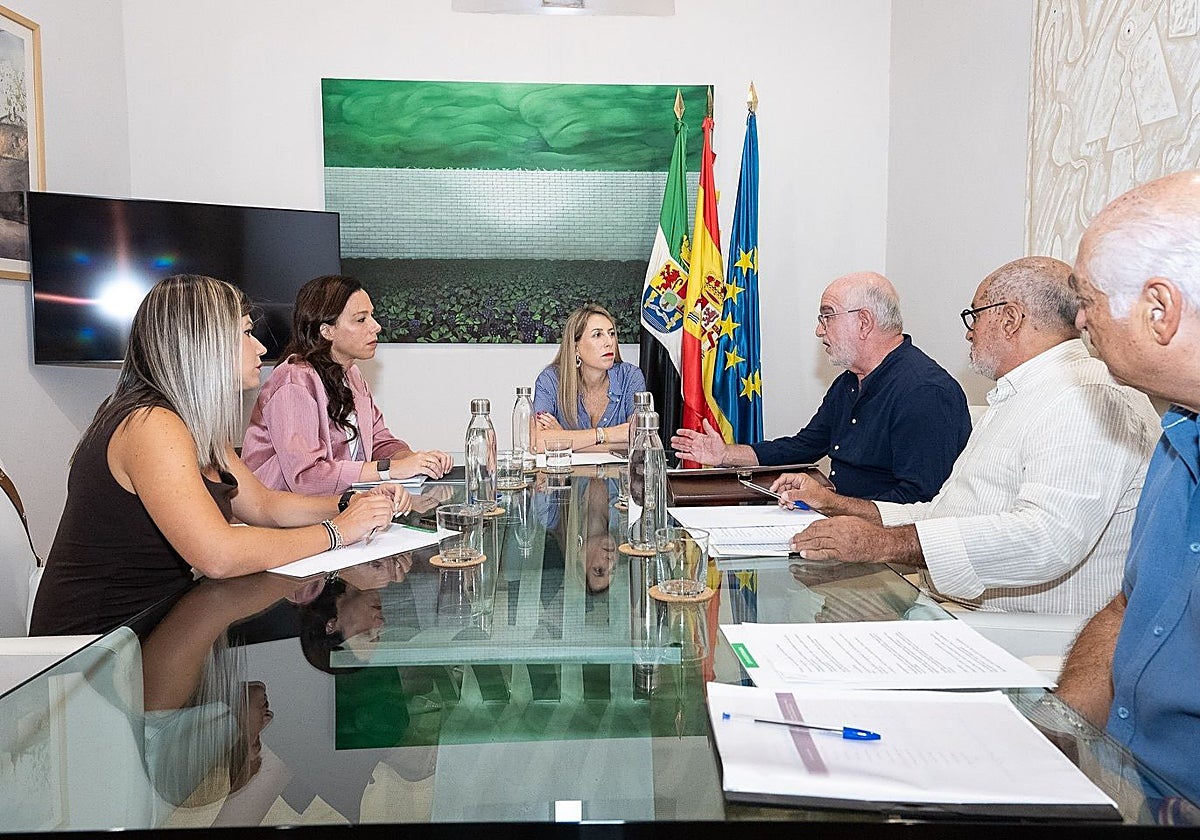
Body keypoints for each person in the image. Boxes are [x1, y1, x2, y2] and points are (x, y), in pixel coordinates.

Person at [776, 257, 1160, 614]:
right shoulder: (1021, 395)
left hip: (1015, 629)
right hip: (948, 604)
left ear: (1010, 319)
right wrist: (837, 507)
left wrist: (885, 543)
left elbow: (1046, 539)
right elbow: (941, 514)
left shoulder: (1086, 398)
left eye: (974, 315)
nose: (969, 332)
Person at [29, 275, 408, 636]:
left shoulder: (192, 421)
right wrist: (338, 531)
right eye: (246, 333)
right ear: (202, 343)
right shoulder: (151, 425)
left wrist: (346, 504)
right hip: (99, 645)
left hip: (161, 622)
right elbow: (219, 555)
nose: (261, 347)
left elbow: (263, 506)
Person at [1055, 169, 1200, 807]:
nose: (1080, 319)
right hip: (1118, 779)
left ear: (1159, 310)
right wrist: (1056, 731)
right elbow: (1130, 609)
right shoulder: (1175, 435)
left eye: (1087, 298)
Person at [671, 272, 970, 503]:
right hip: (842, 526)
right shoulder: (849, 382)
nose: (819, 330)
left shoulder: (925, 392)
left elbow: (921, 501)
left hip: (884, 548)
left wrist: (830, 504)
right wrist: (725, 454)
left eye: (827, 316)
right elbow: (804, 447)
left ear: (864, 322)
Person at [242, 275, 452, 495]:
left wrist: (416, 461)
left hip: (340, 506)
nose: (376, 326)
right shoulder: (293, 380)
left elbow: (379, 442)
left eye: (372, 316)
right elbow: (307, 477)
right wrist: (391, 469)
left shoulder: (351, 374)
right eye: (361, 319)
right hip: (285, 512)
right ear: (327, 331)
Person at [532, 303, 646, 452]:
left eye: (611, 334)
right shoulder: (551, 380)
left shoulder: (630, 377)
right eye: (597, 335)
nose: (609, 342)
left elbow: (641, 441)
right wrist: (607, 435)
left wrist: (563, 440)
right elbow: (536, 443)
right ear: (575, 348)